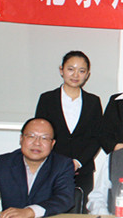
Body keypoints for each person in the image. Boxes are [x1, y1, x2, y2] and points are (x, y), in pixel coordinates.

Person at [0, 118, 74, 218]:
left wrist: (29, 212)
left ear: (52, 143)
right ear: (21, 139)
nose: (37, 143)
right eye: (31, 136)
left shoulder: (62, 164)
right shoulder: (4, 163)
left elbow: (64, 199)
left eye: (44, 138)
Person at [35, 50, 102, 203]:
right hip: (51, 168)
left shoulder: (93, 102)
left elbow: (97, 137)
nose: (75, 75)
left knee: (79, 212)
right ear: (61, 70)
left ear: (87, 75)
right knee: (48, 210)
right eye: (71, 69)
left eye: (81, 71)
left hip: (82, 170)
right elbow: (40, 133)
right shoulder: (47, 99)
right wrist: (59, 164)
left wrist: (77, 162)